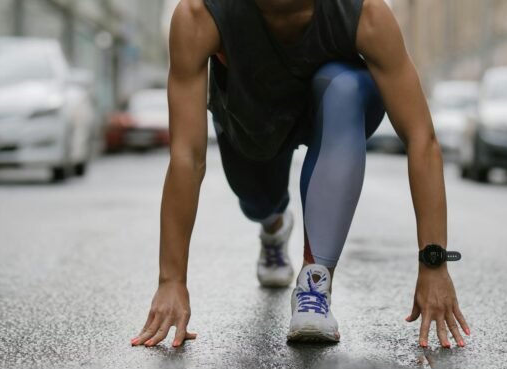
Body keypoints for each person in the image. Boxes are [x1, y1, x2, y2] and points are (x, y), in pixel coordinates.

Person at [131, 0, 470, 348]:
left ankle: (315, 281)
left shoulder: (364, 13)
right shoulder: (200, 15)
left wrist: (434, 263)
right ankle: (275, 224)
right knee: (258, 203)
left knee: (344, 85)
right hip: (252, 123)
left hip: (333, 110)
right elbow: (187, 155)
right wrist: (171, 280)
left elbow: (421, 139)